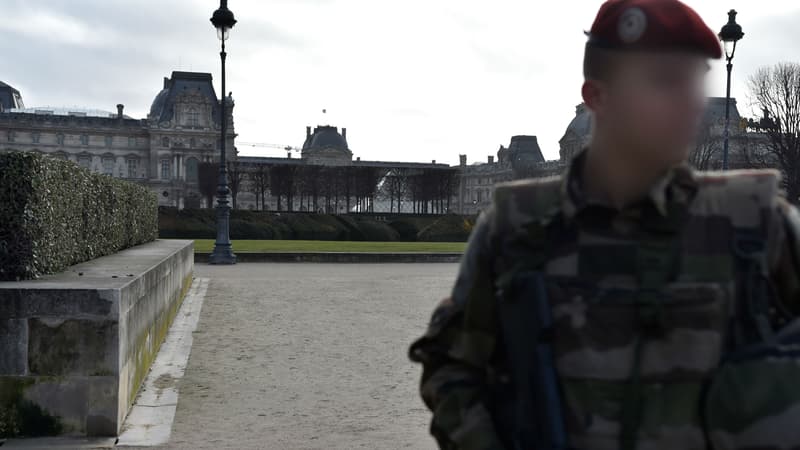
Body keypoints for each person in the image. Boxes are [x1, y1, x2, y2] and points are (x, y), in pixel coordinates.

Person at [408, 1, 800, 449]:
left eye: (694, 80)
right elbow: (450, 366)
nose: (693, 104)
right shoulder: (514, 228)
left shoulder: (757, 220)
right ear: (597, 97)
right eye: (665, 81)